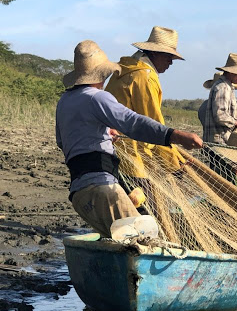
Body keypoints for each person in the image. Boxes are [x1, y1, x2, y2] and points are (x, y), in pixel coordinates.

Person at [56, 40, 202, 238]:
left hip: (79, 194)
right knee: (146, 239)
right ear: (103, 73)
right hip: (103, 189)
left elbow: (63, 141)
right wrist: (173, 135)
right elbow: (133, 122)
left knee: (119, 243)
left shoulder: (65, 101)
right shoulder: (98, 97)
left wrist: (105, 134)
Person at [105, 26, 187, 179]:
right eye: (168, 56)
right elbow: (153, 123)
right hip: (130, 157)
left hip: (108, 149)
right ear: (155, 53)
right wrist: (173, 163)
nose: (171, 62)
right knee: (142, 199)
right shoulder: (145, 77)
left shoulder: (124, 70)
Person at [203, 53, 237, 144]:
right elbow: (220, 115)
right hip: (220, 142)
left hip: (221, 141)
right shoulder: (223, 87)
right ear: (231, 72)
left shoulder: (226, 87)